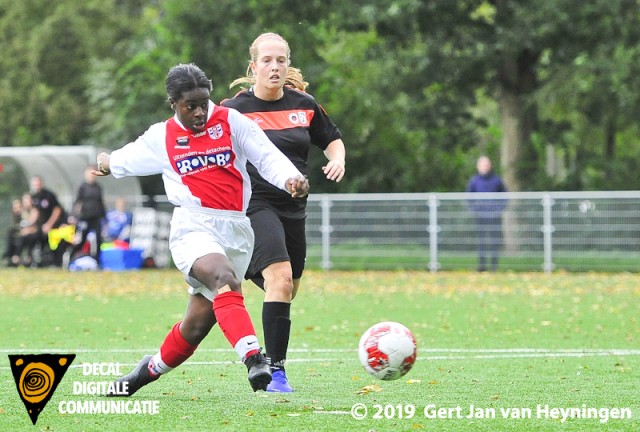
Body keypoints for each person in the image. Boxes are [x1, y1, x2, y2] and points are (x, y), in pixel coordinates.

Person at [94, 62, 309, 396]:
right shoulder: (161, 137)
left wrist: (290, 179)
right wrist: (104, 163)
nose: (198, 112)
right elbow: (123, 159)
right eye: (189, 106)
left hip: (236, 231)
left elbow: (267, 157)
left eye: (203, 103)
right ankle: (254, 357)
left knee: (194, 327)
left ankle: (145, 372)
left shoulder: (230, 121)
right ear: (174, 105)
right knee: (224, 279)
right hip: (193, 225)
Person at [221, 32, 346, 392]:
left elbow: (332, 139)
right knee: (280, 279)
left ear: (288, 63)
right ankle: (275, 371)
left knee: (289, 287)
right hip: (255, 202)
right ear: (253, 66)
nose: (274, 67)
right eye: (267, 61)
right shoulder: (233, 110)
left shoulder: (304, 103)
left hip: (295, 206)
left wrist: (336, 159)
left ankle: (248, 267)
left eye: (281, 60)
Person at [466, 156, 508, 272]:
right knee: (481, 242)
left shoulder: (497, 180)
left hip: (494, 216)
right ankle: (482, 266)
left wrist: (499, 209)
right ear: (478, 167)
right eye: (482, 165)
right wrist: (475, 210)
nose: (484, 167)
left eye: (486, 164)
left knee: (495, 241)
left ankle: (494, 266)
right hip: (480, 216)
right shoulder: (474, 181)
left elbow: (505, 196)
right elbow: (469, 197)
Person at [68, 165, 107, 266]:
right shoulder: (82, 187)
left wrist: (104, 217)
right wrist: (74, 215)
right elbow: (77, 202)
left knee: (99, 240)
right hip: (85, 218)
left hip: (96, 218)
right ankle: (71, 258)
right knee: (82, 240)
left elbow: (101, 203)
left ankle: (97, 261)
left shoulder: (98, 187)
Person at [30, 175, 64, 266]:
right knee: (33, 238)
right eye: (35, 184)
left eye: (38, 183)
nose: (37, 186)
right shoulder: (34, 197)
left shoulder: (49, 195)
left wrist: (49, 224)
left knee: (53, 244)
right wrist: (29, 225)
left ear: (41, 183)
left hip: (53, 225)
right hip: (41, 226)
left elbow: (57, 210)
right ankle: (36, 262)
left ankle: (56, 263)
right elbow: (35, 212)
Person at [2, 198, 24, 266]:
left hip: (24, 236)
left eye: (18, 207)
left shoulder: (24, 215)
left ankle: (14, 257)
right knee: (9, 235)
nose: (17, 209)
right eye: (15, 207)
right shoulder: (12, 217)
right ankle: (9, 256)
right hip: (16, 236)